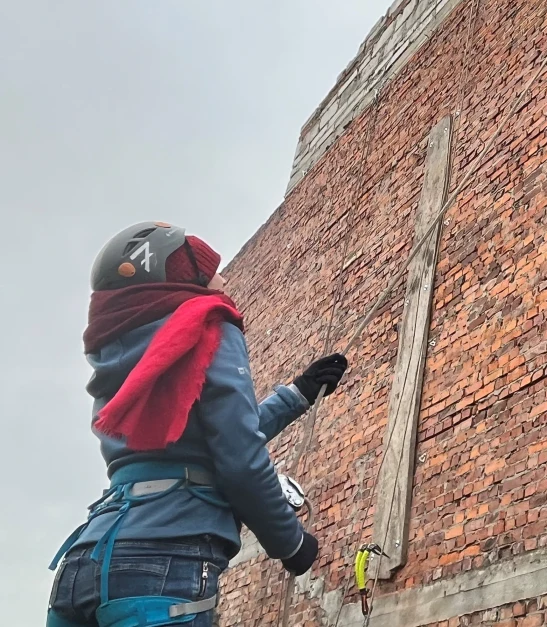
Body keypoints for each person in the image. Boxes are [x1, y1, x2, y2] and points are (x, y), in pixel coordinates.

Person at [47, 222, 349, 627]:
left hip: (83, 563)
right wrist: (291, 543)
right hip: (163, 563)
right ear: (186, 277)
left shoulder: (118, 345)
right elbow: (239, 459)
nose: (223, 281)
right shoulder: (207, 323)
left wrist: (296, 395)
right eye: (212, 271)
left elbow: (198, 446)